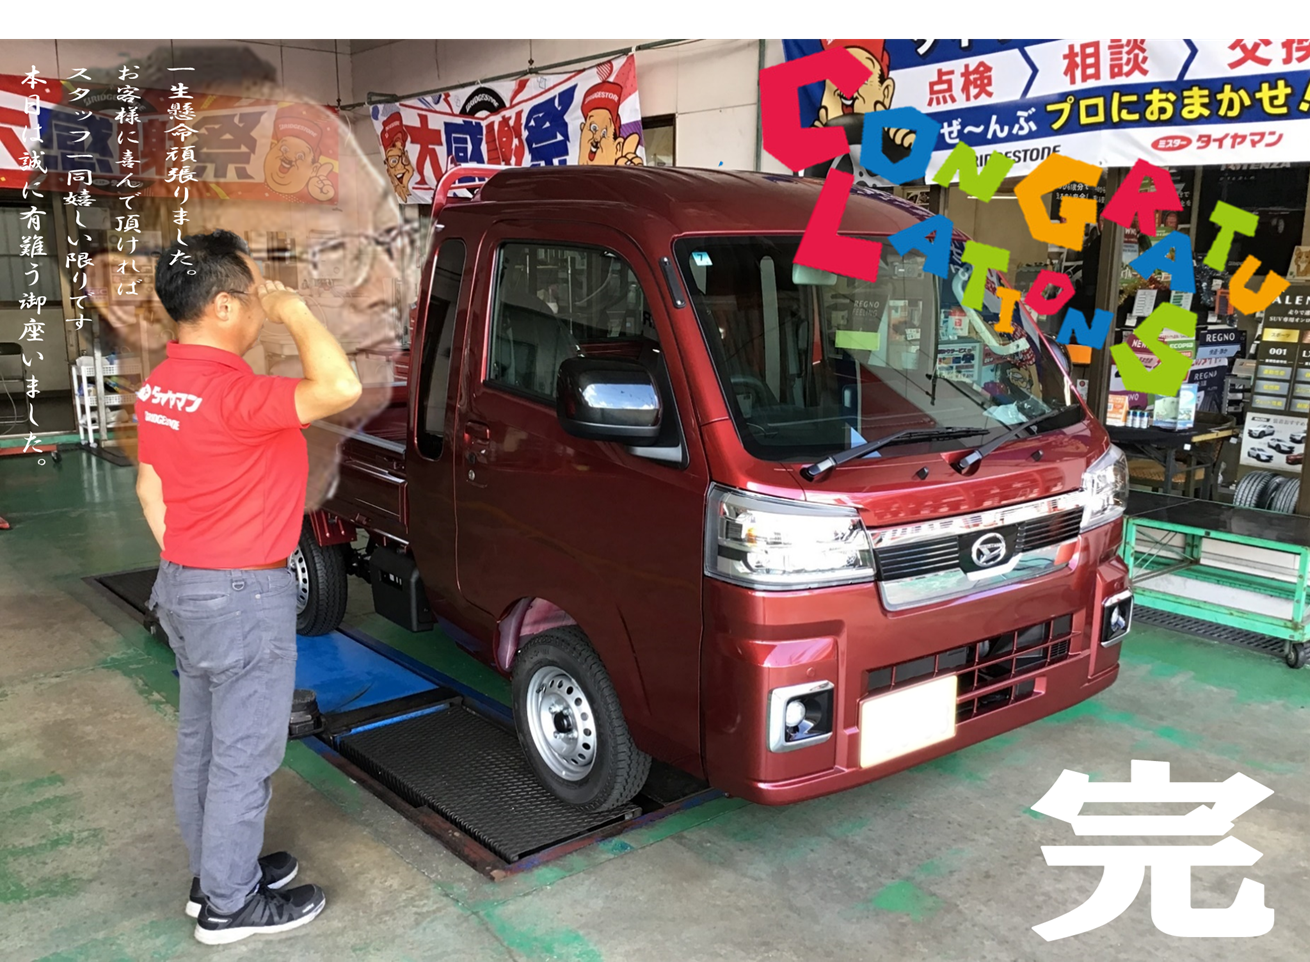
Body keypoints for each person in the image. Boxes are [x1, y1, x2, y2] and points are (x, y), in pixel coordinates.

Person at [135, 229, 362, 945]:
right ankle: (230, 907)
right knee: (243, 755)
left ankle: (215, 877)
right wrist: (296, 310)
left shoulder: (161, 386)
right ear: (225, 306)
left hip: (185, 582)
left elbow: (149, 490)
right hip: (240, 594)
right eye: (256, 294)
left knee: (202, 743)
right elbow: (341, 387)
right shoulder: (235, 394)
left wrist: (195, 563)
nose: (264, 305)